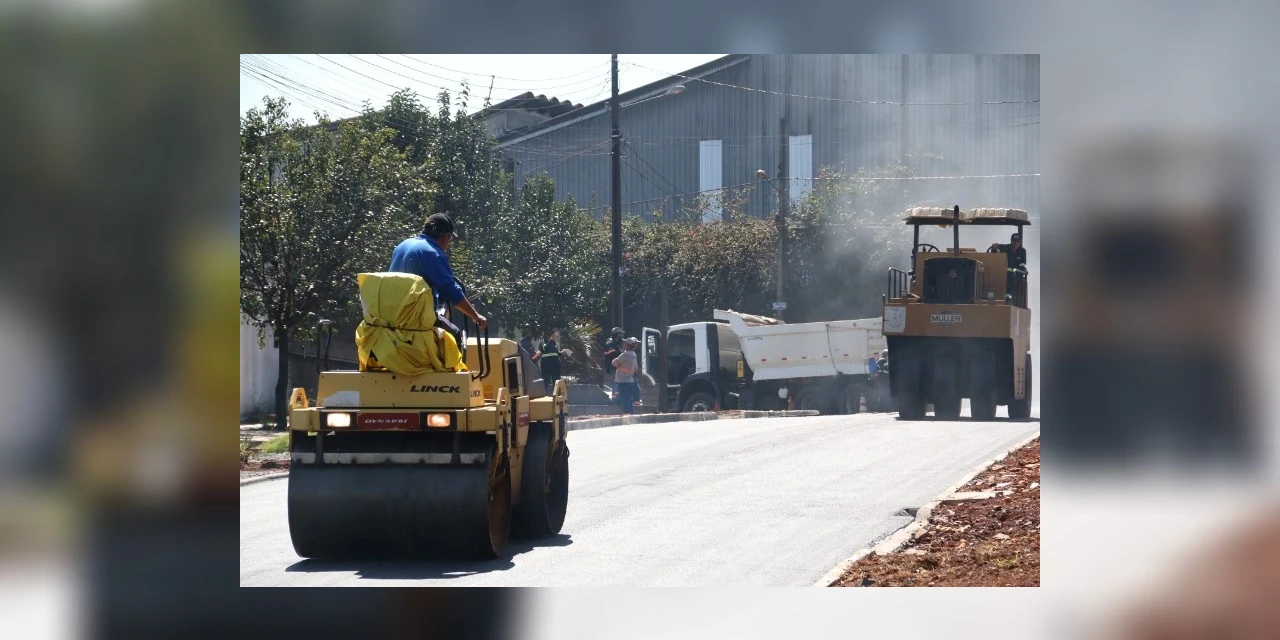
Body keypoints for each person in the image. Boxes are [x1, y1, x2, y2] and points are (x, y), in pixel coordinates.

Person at [388, 213, 488, 333]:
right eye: (450, 238)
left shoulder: (402, 245)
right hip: (414, 317)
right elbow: (451, 290)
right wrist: (475, 316)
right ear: (446, 237)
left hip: (390, 313)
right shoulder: (432, 253)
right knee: (455, 334)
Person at [989, 232, 1029, 303]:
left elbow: (1022, 264)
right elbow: (996, 253)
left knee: (1013, 283)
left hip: (1016, 275)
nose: (1015, 243)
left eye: (1017, 241)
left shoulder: (1022, 251)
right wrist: (994, 248)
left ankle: (1009, 299)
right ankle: (1004, 298)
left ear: (1020, 242)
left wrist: (1024, 269)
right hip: (1004, 274)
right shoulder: (1006, 248)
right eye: (1014, 241)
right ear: (1011, 241)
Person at [611, 337, 641, 414]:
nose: (623, 345)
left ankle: (627, 413)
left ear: (628, 345)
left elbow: (614, 362)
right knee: (628, 397)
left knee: (624, 397)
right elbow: (635, 368)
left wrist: (617, 363)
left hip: (622, 380)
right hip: (629, 380)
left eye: (625, 344)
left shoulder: (625, 354)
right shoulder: (634, 354)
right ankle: (630, 413)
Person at [536, 329, 563, 393]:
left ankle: (545, 394)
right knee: (552, 381)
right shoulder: (547, 343)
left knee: (549, 381)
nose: (556, 336)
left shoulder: (546, 343)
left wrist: (563, 351)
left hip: (548, 364)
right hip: (552, 364)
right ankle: (546, 394)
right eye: (555, 335)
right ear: (551, 335)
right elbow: (557, 353)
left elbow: (557, 353)